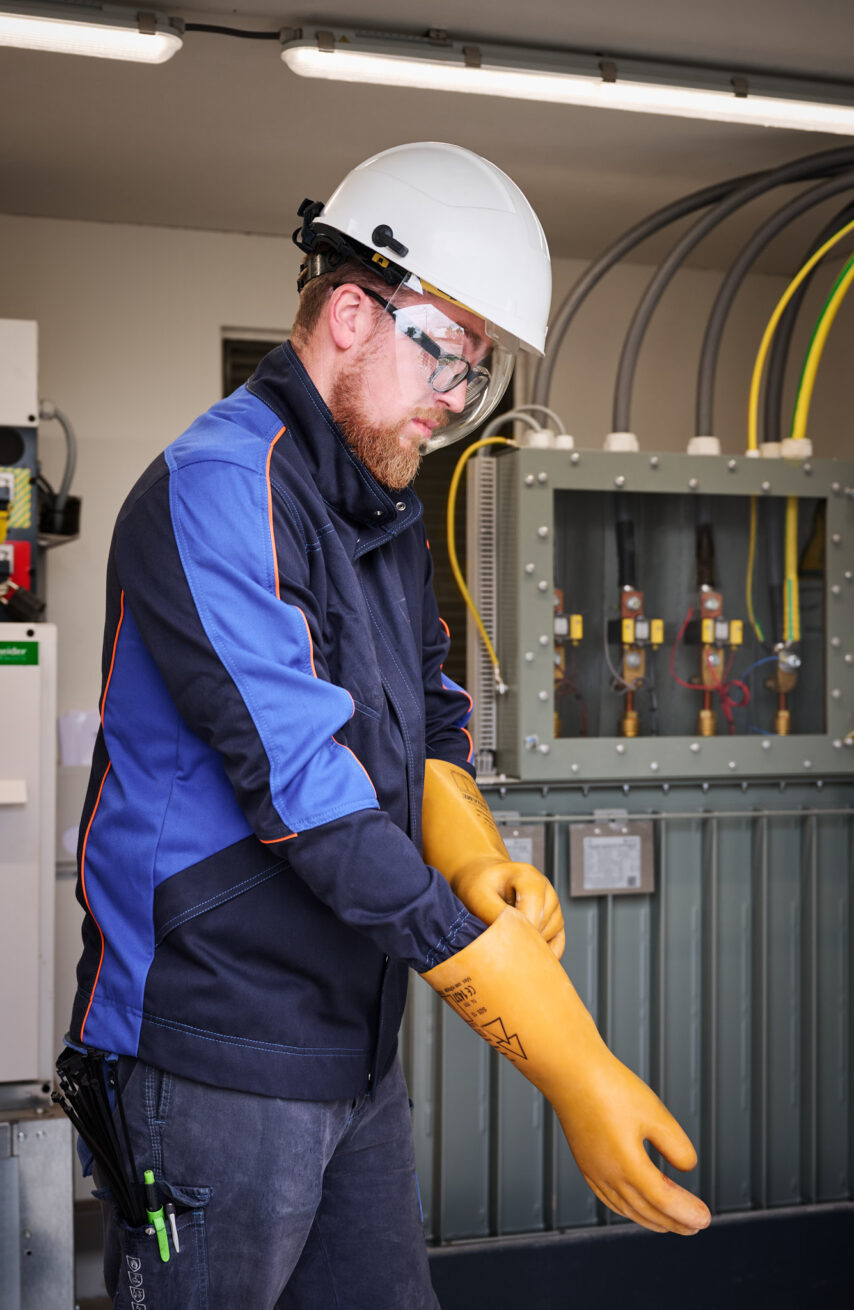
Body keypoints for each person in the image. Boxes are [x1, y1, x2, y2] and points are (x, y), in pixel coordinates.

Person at [64, 142, 709, 1310]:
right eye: (448, 360)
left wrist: (477, 861)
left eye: (477, 375)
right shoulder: (220, 487)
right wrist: (569, 1061)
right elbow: (311, 802)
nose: (454, 405)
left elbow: (432, 718)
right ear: (352, 313)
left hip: (351, 1047)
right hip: (212, 1050)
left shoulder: (383, 507)